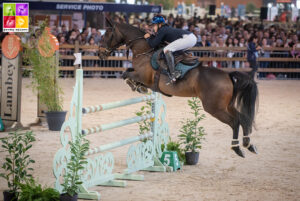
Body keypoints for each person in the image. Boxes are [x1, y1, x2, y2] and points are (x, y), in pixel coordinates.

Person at [144, 15, 197, 83]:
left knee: (167, 50)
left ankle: (173, 73)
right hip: (191, 38)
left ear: (159, 24)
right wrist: (152, 36)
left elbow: (153, 44)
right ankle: (179, 68)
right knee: (173, 51)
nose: (153, 27)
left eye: (154, 25)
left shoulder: (162, 30)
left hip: (188, 38)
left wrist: (148, 37)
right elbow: (159, 41)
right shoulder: (165, 29)